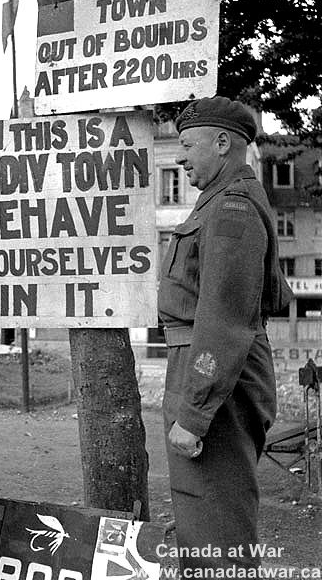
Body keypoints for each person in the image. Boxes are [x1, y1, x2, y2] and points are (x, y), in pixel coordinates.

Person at [158, 96, 293, 576]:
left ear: (221, 143)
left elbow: (224, 317)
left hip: (219, 382)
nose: (180, 157)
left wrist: (194, 414)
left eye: (187, 144)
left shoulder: (232, 206)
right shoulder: (218, 200)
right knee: (202, 518)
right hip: (209, 372)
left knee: (218, 533)